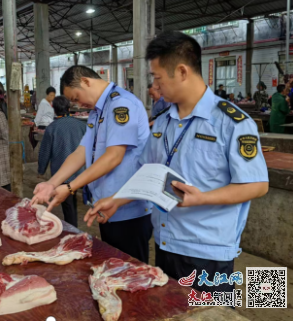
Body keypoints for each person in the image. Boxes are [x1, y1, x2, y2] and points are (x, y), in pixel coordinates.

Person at [85, 31, 269, 294]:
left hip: (207, 251)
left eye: (158, 78)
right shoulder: (162, 122)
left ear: (182, 71)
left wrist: (201, 198)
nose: (156, 86)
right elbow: (146, 172)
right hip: (165, 243)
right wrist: (117, 199)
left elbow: (258, 185)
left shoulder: (231, 123)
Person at [32, 66, 152, 262]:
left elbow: (114, 156)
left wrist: (70, 187)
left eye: (76, 97)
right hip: (105, 208)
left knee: (132, 274)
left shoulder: (121, 104)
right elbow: (81, 152)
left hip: (128, 210)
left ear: (86, 82)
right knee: (113, 270)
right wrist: (51, 184)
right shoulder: (98, 111)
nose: (78, 104)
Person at [37, 96, 87, 227]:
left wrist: (41, 170)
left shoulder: (52, 128)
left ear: (54, 110)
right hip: (81, 170)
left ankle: (73, 230)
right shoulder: (82, 125)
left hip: (62, 172)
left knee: (68, 203)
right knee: (72, 198)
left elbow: (45, 152)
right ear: (69, 108)